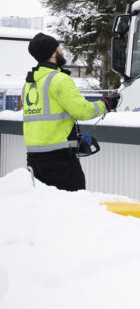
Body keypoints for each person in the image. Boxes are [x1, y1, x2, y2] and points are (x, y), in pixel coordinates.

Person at [22, 32, 119, 192]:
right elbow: (82, 111)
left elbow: (45, 119)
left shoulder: (30, 84)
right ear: (52, 53)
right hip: (60, 162)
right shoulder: (59, 79)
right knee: (72, 208)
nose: (61, 50)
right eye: (58, 47)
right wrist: (106, 104)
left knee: (46, 210)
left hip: (34, 162)